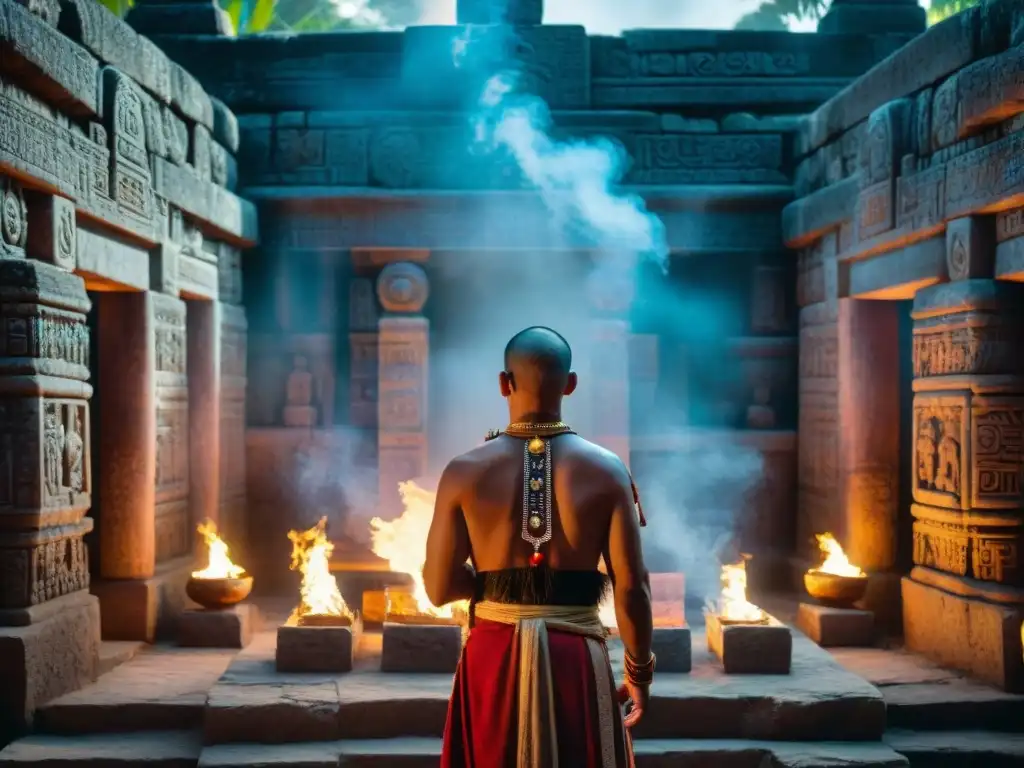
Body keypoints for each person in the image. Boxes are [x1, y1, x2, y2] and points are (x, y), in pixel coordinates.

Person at [423, 326, 654, 768]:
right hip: (577, 660)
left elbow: (437, 588)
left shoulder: (463, 471)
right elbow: (632, 587)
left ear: (503, 383)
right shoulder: (608, 470)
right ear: (570, 384)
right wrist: (638, 673)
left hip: (493, 655)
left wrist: (494, 583)